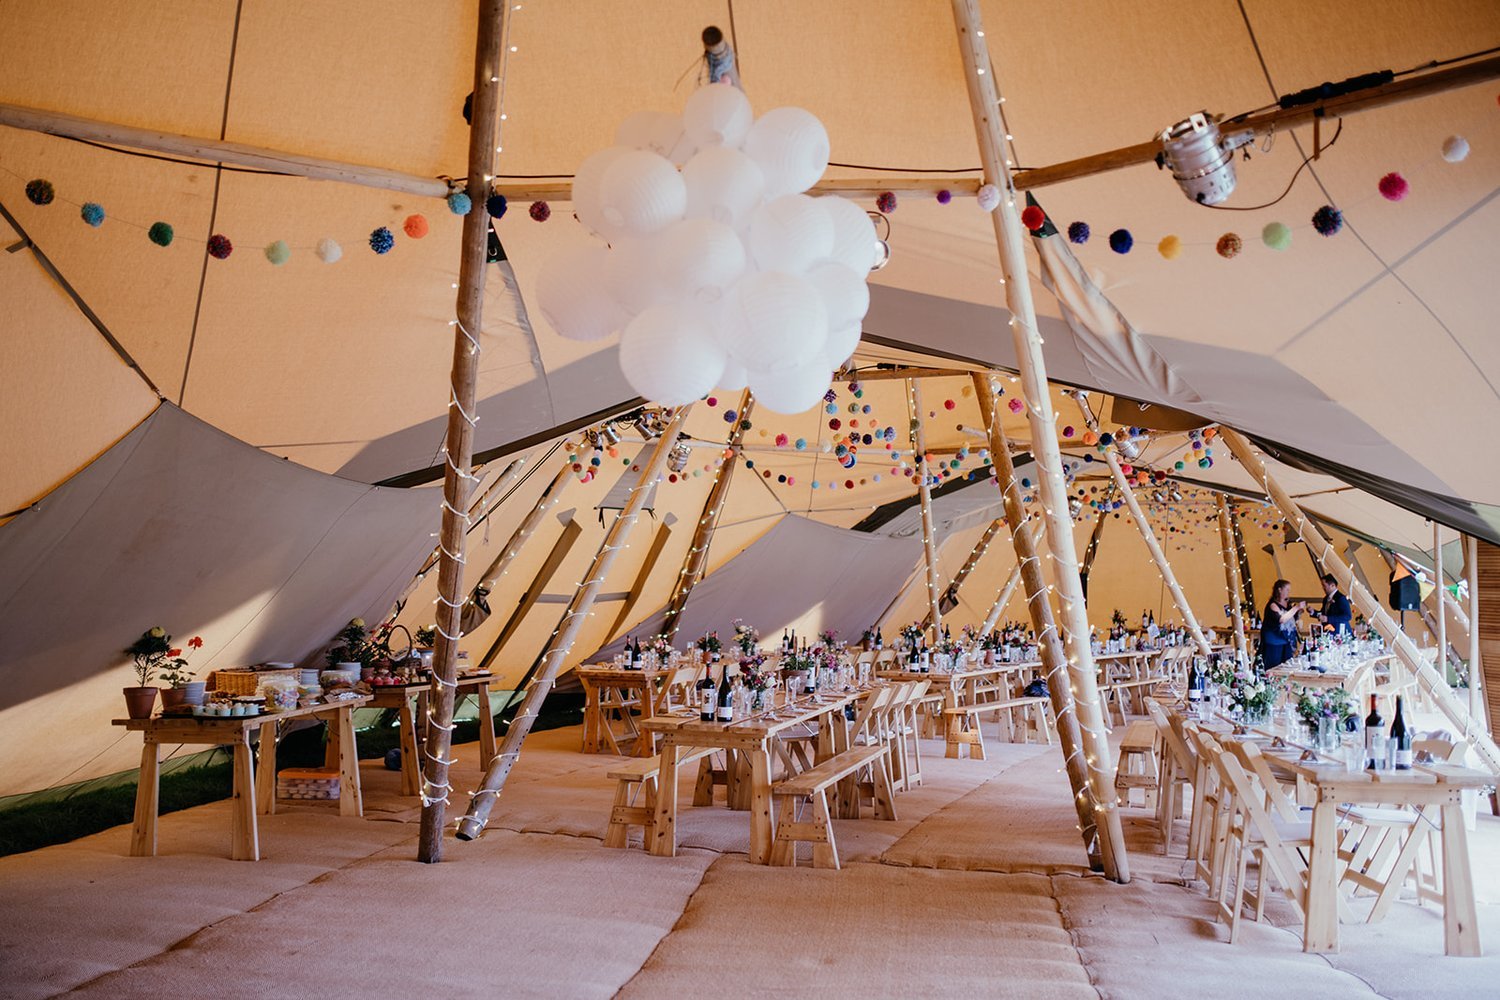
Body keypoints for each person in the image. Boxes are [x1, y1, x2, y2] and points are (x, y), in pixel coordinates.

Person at [1260, 579, 1305, 669]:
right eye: (1287, 589)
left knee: (1287, 666)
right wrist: (1296, 608)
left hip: (1286, 641)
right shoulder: (1272, 605)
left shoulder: (1288, 604)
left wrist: (1298, 613)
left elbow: (1290, 619)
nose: (1289, 592)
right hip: (1274, 641)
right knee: (1274, 667)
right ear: (1280, 590)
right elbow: (1282, 619)